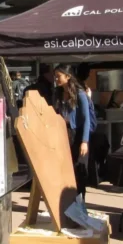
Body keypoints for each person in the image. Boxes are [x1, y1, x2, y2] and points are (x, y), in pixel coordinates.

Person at [52, 65, 91, 199]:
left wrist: (84, 141)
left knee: (79, 169)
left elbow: (86, 119)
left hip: (77, 134)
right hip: (63, 133)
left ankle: (80, 201)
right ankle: (67, 200)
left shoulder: (80, 94)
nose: (56, 79)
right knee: (65, 168)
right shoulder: (57, 93)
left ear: (68, 77)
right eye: (55, 76)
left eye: (59, 76)